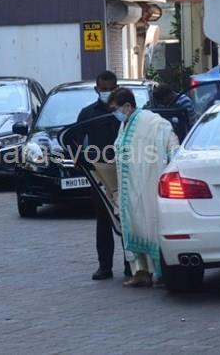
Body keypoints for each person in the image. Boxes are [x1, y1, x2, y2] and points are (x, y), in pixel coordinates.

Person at [108, 87, 179, 287]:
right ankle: (141, 271)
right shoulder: (125, 124)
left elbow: (171, 143)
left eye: (115, 109)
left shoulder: (153, 122)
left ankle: (159, 273)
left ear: (127, 106)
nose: (115, 113)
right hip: (130, 190)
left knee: (151, 225)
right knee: (135, 226)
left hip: (149, 184)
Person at [76, 71, 130, 281]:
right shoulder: (87, 113)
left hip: (124, 172)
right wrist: (83, 162)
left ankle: (131, 264)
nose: (107, 92)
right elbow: (76, 140)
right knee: (103, 221)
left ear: (117, 88)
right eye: (103, 89)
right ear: (96, 89)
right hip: (100, 174)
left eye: (111, 89)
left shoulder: (124, 112)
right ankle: (104, 266)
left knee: (127, 219)